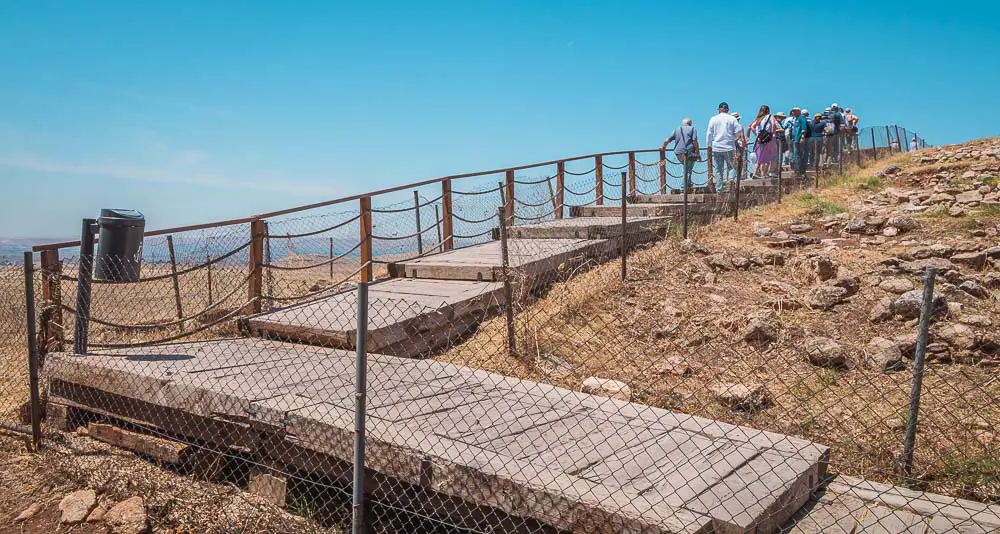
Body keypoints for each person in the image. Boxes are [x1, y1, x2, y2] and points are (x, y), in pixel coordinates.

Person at [705, 102, 740, 192]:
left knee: (718, 169)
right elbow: (738, 131)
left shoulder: (713, 119)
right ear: (727, 109)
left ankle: (719, 189)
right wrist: (734, 138)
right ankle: (731, 186)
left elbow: (709, 133)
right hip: (729, 146)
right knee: (732, 167)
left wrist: (709, 145)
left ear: (719, 110)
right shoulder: (732, 119)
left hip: (717, 146)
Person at [663, 118, 700, 192]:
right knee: (688, 169)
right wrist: (697, 152)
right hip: (689, 152)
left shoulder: (676, 130)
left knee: (686, 167)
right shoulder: (692, 129)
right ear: (690, 123)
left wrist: (663, 147)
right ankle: (684, 188)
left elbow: (667, 140)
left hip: (678, 152)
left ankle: (688, 184)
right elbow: (694, 141)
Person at [747, 105, 780, 177]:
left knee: (761, 157)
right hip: (769, 138)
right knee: (774, 155)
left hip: (761, 139)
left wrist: (757, 135)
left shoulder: (758, 118)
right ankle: (771, 172)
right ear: (768, 110)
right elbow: (773, 124)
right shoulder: (770, 116)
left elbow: (751, 127)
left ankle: (758, 174)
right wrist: (773, 134)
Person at [789, 107, 809, 175]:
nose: (793, 112)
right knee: (797, 154)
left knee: (799, 154)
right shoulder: (796, 119)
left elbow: (803, 127)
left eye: (794, 111)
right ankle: (797, 169)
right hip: (796, 139)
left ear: (798, 111)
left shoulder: (801, 117)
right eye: (792, 111)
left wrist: (802, 137)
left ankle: (800, 169)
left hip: (800, 138)